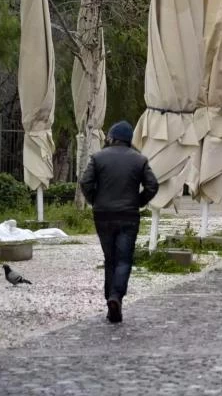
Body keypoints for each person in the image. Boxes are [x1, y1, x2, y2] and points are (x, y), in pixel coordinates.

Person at [79, 121, 158, 324]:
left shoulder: (98, 157)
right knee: (124, 260)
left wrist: (95, 200)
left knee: (110, 259)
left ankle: (111, 300)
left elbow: (85, 182)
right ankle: (116, 297)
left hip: (103, 215)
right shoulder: (140, 160)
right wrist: (138, 201)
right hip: (128, 215)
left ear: (112, 138)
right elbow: (152, 185)